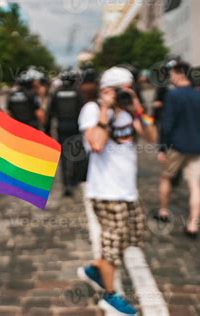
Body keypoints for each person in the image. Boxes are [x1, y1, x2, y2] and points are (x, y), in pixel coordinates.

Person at [77, 67, 157, 315]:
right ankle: (110, 297)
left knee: (127, 240)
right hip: (105, 192)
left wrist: (138, 109)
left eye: (128, 88)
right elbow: (97, 144)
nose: (124, 93)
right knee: (111, 246)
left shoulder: (131, 110)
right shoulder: (92, 110)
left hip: (128, 191)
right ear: (105, 90)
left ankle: (93, 269)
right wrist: (106, 109)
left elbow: (152, 137)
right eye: (119, 89)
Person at [157, 61, 200, 237]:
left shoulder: (173, 95)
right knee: (195, 185)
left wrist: (162, 148)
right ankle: (193, 224)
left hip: (176, 145)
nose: (170, 77)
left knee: (166, 177)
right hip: (196, 145)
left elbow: (167, 123)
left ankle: (163, 211)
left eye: (172, 73)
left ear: (180, 74)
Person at [46, 71, 84, 197]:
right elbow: (83, 110)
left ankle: (65, 184)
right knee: (75, 155)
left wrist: (47, 131)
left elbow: (49, 113)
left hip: (61, 126)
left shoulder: (56, 93)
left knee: (63, 158)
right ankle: (74, 180)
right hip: (76, 126)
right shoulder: (77, 92)